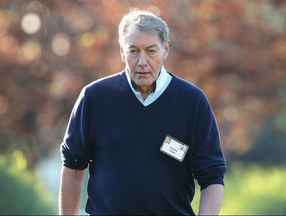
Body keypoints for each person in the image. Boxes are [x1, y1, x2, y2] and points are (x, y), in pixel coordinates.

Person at [59, 8, 226, 215]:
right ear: (122, 52)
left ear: (165, 50)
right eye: (134, 51)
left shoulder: (192, 102)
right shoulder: (94, 98)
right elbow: (73, 169)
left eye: (151, 51)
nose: (142, 62)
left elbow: (212, 177)